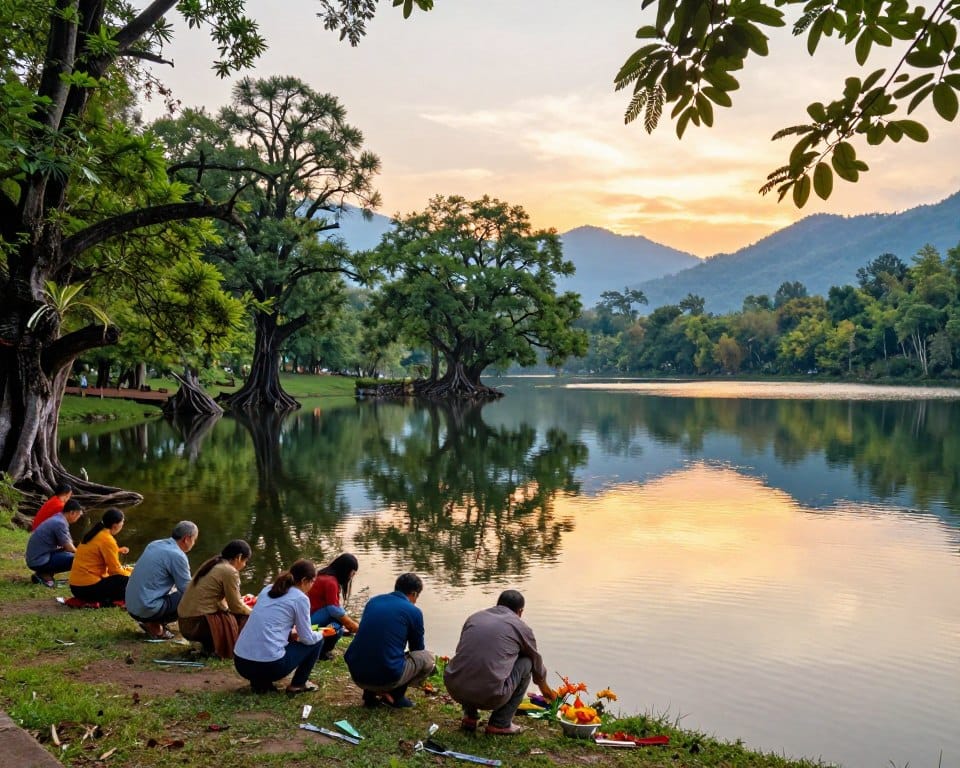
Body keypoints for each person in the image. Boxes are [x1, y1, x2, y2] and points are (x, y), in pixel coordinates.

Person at [443, 589, 557, 735]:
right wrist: (547, 693)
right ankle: (500, 723)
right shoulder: (521, 627)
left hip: (455, 688)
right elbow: (537, 667)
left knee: (474, 659)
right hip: (489, 697)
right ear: (520, 611)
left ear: (498, 604)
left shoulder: (474, 618)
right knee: (527, 662)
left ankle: (469, 717)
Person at [344, 572, 435, 708]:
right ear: (414, 594)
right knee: (427, 657)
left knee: (376, 647)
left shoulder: (374, 601)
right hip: (386, 677)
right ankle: (396, 696)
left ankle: (370, 694)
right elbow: (417, 649)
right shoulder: (414, 611)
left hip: (357, 675)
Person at [233, 559, 325, 694]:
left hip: (241, 662)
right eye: (312, 582)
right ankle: (299, 684)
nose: (312, 586)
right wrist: (321, 633)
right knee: (316, 641)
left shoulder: (268, 589)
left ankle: (259, 683)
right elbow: (307, 638)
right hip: (269, 666)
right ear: (305, 580)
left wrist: (291, 633)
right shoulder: (300, 598)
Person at [177, 540, 253, 658]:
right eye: (245, 561)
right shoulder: (229, 571)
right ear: (239, 557)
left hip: (184, 622)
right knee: (245, 617)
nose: (244, 565)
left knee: (232, 612)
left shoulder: (213, 563)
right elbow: (236, 607)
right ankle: (241, 649)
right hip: (196, 624)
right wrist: (255, 613)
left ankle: (207, 646)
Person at [125, 521, 198, 640]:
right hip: (146, 608)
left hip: (132, 606)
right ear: (186, 539)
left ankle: (151, 622)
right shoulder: (177, 556)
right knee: (189, 596)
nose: (194, 543)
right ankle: (155, 627)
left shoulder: (155, 544)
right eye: (194, 539)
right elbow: (187, 590)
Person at [68, 508, 132, 604]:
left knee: (126, 573)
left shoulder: (95, 533)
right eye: (122, 522)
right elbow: (114, 571)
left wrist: (118, 550)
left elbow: (96, 552)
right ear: (115, 525)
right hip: (87, 589)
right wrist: (131, 574)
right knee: (126, 580)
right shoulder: (107, 539)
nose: (123, 524)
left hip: (76, 587)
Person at [307, 552, 360, 660]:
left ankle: (320, 644)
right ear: (345, 570)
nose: (352, 576)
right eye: (352, 572)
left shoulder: (323, 576)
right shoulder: (330, 582)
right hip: (310, 624)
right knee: (337, 621)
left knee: (337, 629)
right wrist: (352, 624)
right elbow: (333, 609)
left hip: (309, 621)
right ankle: (320, 645)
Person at [25, 499, 84, 587]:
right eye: (78, 515)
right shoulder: (60, 523)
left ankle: (43, 574)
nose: (78, 518)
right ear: (72, 513)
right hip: (39, 560)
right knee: (78, 559)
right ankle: (43, 574)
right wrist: (84, 555)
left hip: (36, 558)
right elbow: (69, 547)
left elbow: (67, 542)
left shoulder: (58, 518)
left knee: (68, 554)